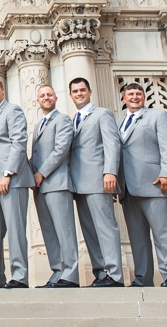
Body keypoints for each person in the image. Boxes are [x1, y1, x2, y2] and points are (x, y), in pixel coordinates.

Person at [118, 82, 167, 287]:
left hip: (154, 183)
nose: (135, 97)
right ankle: (143, 277)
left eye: (138, 93)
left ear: (144, 97)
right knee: (137, 236)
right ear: (124, 98)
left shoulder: (158, 116)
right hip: (128, 187)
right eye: (130, 94)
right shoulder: (119, 122)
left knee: (163, 232)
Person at [67, 77, 124, 287]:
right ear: (70, 95)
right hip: (78, 184)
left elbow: (112, 144)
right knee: (89, 230)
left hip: (99, 180)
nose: (79, 94)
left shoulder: (102, 114)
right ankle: (101, 272)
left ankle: (115, 273)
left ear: (90, 91)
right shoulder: (73, 119)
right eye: (75, 91)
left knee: (106, 227)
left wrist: (110, 172)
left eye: (82, 90)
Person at [0, 77, 35, 289]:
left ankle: (20, 276)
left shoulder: (13, 111)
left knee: (15, 229)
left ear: (3, 90)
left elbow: (19, 142)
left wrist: (8, 173)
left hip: (10, 180)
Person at [30, 85, 79, 288]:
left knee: (64, 230)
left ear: (56, 98)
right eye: (42, 95)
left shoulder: (63, 120)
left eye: (49, 94)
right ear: (38, 100)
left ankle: (71, 273)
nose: (46, 98)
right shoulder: (38, 125)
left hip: (57, 183)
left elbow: (60, 150)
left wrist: (40, 173)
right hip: (40, 186)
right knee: (49, 231)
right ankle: (58, 271)